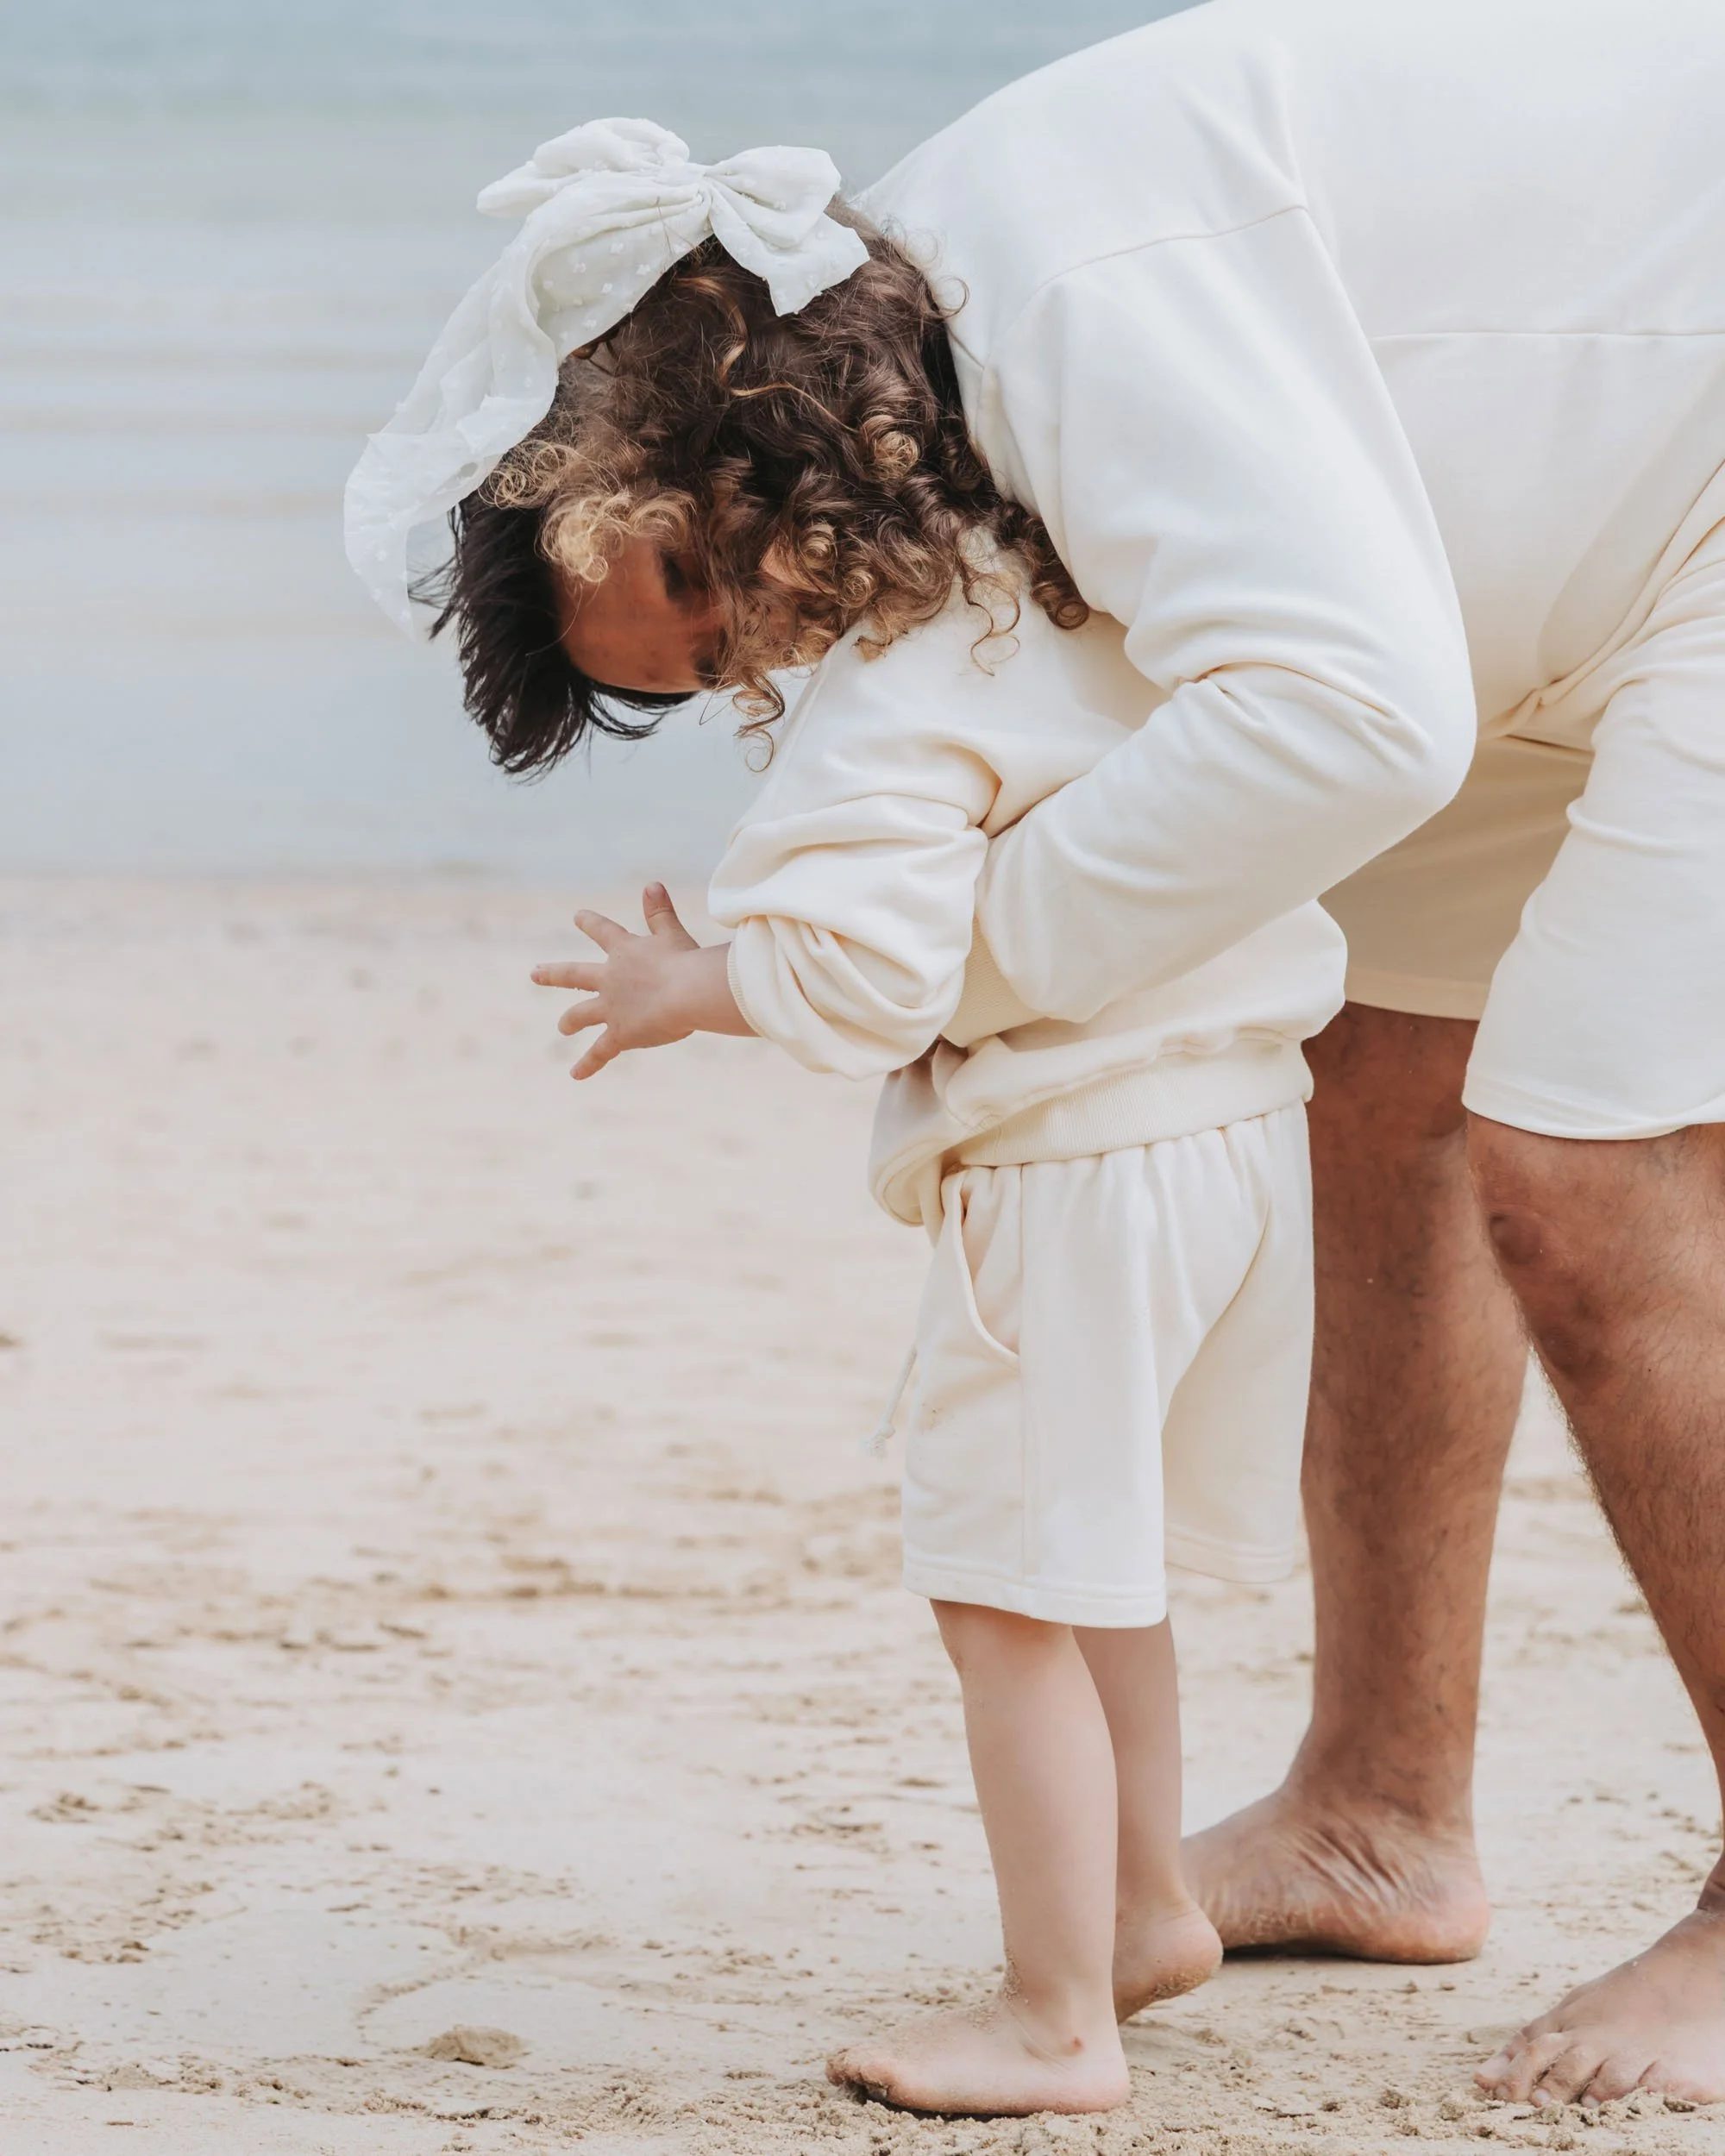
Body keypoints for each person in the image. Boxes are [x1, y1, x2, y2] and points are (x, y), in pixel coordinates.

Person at [345, 0, 1725, 2115]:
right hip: (1539, 557)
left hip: (1690, 490)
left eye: (709, 585)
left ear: (719, 408)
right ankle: (1380, 1813)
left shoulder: (1060, 291)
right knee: (1378, 1069)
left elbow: (1356, 723)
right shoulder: (941, 418)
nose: (769, 656)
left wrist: (956, 974)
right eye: (711, 670)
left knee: (1585, 1167)